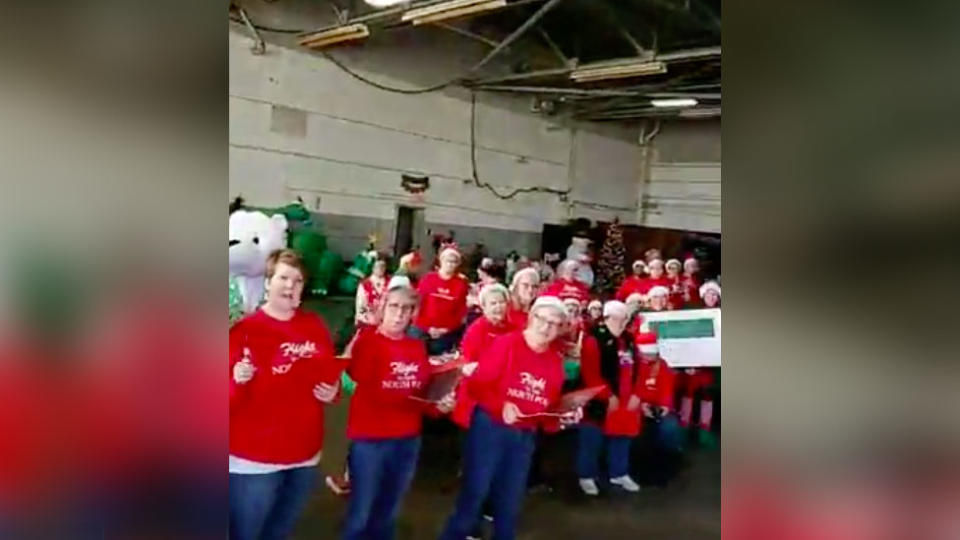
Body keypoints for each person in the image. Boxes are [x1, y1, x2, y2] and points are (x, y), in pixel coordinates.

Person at [439, 297, 581, 540]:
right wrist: (501, 404)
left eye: (555, 324)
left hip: (524, 436)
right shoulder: (508, 344)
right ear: (530, 318)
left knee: (511, 497)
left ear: (560, 329)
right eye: (542, 319)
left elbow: (546, 412)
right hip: (490, 428)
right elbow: (476, 385)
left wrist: (563, 416)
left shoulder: (554, 362)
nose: (546, 327)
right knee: (476, 492)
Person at [229, 249, 341, 540]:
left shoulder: (314, 325)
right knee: (246, 532)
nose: (290, 286)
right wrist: (236, 380)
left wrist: (332, 391)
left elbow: (328, 373)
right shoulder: (243, 331)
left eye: (298, 280)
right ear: (268, 282)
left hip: (304, 455)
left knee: (279, 531)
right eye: (283, 278)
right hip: (254, 460)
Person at [341, 283, 456, 540]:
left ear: (413, 313)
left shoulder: (416, 347)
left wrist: (439, 404)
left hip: (407, 438)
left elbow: (423, 392)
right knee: (361, 510)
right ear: (382, 308)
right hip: (371, 438)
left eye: (407, 308)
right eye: (394, 306)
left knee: (389, 509)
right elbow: (357, 379)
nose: (399, 314)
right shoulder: (367, 340)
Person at [575, 300, 643, 496]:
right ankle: (586, 475)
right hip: (599, 399)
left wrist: (636, 393)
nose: (623, 324)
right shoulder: (593, 339)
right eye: (620, 319)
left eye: (625, 320)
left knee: (622, 437)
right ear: (608, 318)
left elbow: (638, 367)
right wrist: (607, 395)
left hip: (625, 396)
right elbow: (590, 373)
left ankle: (619, 472)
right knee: (592, 437)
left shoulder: (629, 339)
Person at [634, 333, 684, 486]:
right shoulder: (634, 366)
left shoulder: (662, 365)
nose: (650, 357)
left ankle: (669, 463)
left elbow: (667, 389)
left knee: (669, 428)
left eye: (653, 354)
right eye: (647, 354)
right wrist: (641, 405)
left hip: (659, 407)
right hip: (637, 407)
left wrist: (665, 406)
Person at [675, 280, 721, 448]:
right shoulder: (694, 313)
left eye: (715, 294)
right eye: (709, 294)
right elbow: (686, 338)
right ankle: (683, 430)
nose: (712, 297)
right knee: (688, 394)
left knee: (708, 395)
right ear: (703, 295)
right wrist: (686, 361)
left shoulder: (721, 315)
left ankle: (704, 430)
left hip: (712, 365)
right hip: (694, 363)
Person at [413, 245, 469, 355]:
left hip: (445, 333)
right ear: (441, 260)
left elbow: (460, 313)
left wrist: (446, 329)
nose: (450, 264)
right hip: (422, 329)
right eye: (448, 261)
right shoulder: (428, 279)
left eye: (454, 262)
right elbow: (418, 304)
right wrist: (427, 328)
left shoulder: (461, 284)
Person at [355, 253, 390, 329]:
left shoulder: (390, 283)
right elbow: (360, 306)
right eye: (378, 266)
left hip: (386, 323)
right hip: (368, 323)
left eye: (383, 266)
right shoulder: (365, 285)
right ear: (372, 268)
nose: (381, 269)